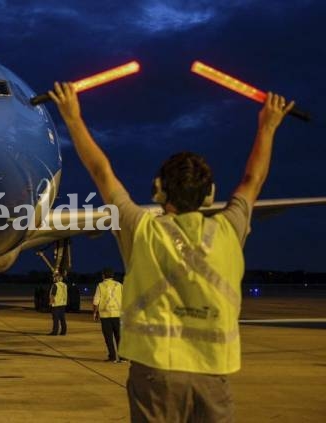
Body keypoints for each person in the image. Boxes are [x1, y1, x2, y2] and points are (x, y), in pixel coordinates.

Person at [50, 81, 294, 421]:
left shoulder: (142, 229)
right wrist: (268, 125)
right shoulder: (228, 229)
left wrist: (72, 117)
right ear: (210, 195)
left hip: (155, 375)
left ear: (158, 191)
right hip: (212, 375)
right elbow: (253, 180)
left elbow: (101, 172)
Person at [93, 268, 123, 363]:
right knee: (119, 337)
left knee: (108, 338)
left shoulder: (100, 286)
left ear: (103, 275)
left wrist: (95, 313)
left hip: (105, 316)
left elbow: (95, 301)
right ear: (112, 275)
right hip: (118, 314)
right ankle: (123, 357)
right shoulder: (119, 285)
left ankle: (112, 357)